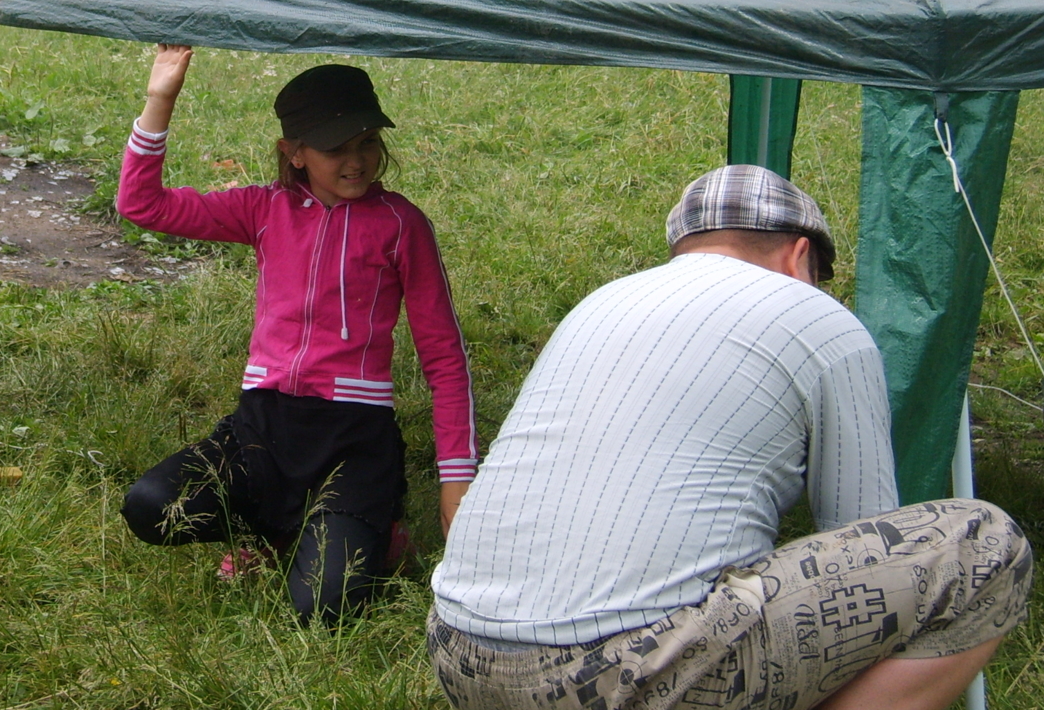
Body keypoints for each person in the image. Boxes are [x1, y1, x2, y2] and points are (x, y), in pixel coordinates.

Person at [429, 164, 1032, 710]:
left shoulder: (599, 303)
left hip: (460, 653)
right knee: (984, 545)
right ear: (800, 258)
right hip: (624, 676)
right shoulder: (819, 317)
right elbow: (863, 540)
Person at [118, 46, 477, 624]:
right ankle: (274, 530)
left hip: (352, 444)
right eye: (337, 148)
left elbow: (444, 359)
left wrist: (456, 479)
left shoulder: (402, 225)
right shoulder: (263, 209)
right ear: (296, 154)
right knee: (151, 507)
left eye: (367, 142)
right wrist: (161, 99)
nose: (357, 161)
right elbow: (141, 205)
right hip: (262, 430)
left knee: (323, 608)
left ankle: (377, 533)